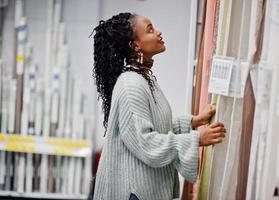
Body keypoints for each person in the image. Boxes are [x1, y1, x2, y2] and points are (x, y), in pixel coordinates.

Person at [90, 12, 226, 200]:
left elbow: (155, 127)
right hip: (133, 194)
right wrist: (196, 139)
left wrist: (193, 122)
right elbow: (146, 143)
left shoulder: (143, 78)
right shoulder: (131, 85)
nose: (158, 33)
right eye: (150, 30)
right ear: (135, 44)